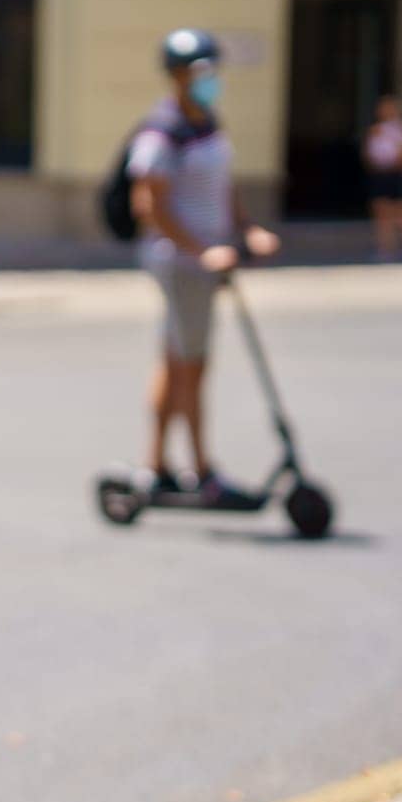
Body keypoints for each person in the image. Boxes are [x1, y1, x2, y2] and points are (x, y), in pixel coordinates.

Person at [128, 28, 280, 502]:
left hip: (207, 263)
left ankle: (156, 466)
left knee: (177, 362)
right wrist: (201, 251)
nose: (210, 78)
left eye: (213, 69)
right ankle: (203, 471)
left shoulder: (208, 122)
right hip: (182, 265)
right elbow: (149, 207)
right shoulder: (162, 131)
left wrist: (247, 228)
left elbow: (223, 187)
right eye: (200, 70)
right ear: (177, 75)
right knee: (191, 365)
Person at [364, 95, 402, 262]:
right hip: (380, 175)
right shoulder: (375, 130)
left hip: (396, 174)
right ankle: (386, 248)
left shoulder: (401, 130)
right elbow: (369, 154)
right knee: (381, 212)